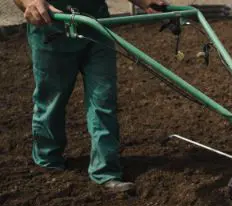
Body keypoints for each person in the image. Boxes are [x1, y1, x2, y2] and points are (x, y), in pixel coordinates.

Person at [13, 0, 166, 192]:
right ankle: (48, 161)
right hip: (52, 28)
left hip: (95, 26)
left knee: (104, 99)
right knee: (52, 101)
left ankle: (106, 171)